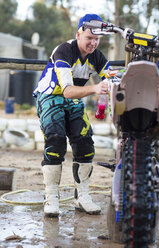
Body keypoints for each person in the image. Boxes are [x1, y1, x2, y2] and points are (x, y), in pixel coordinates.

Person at [33, 13, 110, 217]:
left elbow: (112, 78)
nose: (93, 43)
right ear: (78, 34)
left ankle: (82, 196)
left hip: (73, 97)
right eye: (89, 38)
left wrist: (114, 84)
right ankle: (51, 197)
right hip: (50, 95)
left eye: (96, 39)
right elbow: (67, 90)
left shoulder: (98, 56)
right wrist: (96, 89)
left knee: (85, 140)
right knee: (56, 139)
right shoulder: (64, 50)